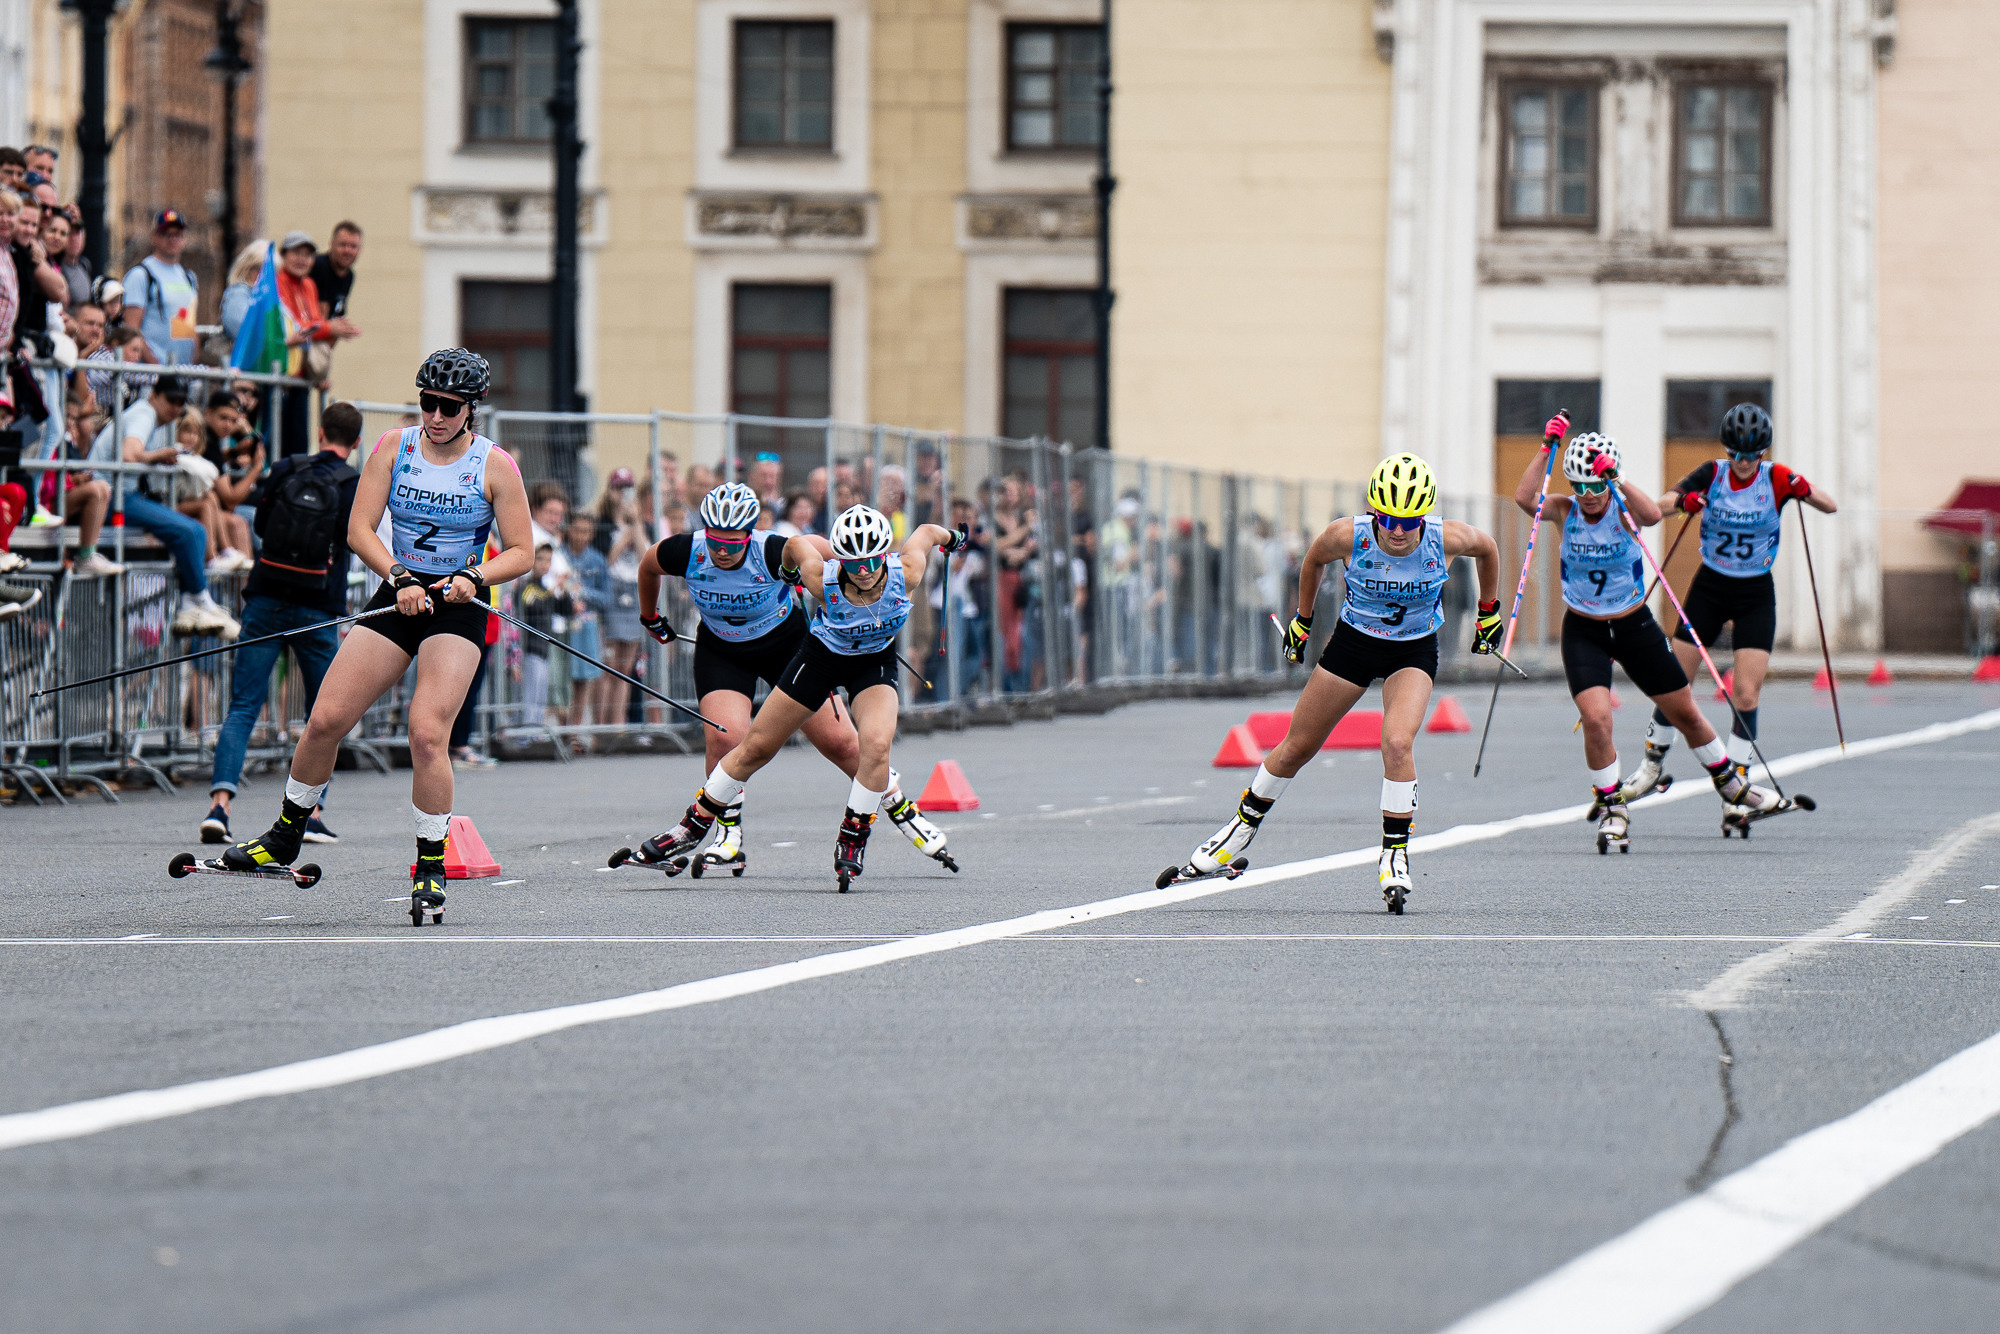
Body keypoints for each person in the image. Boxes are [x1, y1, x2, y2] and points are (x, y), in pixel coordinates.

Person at [216, 349, 531, 926]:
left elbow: (522, 552)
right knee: (326, 718)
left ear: (471, 409)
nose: (435, 416)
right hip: (400, 589)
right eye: (427, 403)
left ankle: (431, 866)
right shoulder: (395, 447)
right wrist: (398, 576)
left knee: (427, 732)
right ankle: (288, 832)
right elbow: (360, 529)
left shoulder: (495, 465)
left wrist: (473, 576)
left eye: (449, 407)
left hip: (457, 603)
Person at [1162, 453, 1504, 914]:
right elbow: (1312, 561)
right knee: (1298, 746)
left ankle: (1395, 856)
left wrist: (1490, 613)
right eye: (1388, 519)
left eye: (1409, 521)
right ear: (1373, 512)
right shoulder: (1349, 535)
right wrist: (1302, 622)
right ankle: (1235, 835)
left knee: (1398, 743)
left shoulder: (1448, 539)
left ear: (1424, 516)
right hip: (1354, 644)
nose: (1398, 531)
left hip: (1413, 649)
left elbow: (1489, 550)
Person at [630, 487, 956, 880]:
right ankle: (712, 833)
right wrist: (651, 618)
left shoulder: (906, 572)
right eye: (714, 539)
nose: (863, 571)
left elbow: (927, 533)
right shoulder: (818, 577)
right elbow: (650, 565)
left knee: (854, 744)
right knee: (736, 741)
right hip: (751, 651)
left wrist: (956, 537)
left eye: (871, 560)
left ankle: (896, 814)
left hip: (794, 645)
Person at [1516, 425, 1789, 851]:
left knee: (1686, 713)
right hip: (1584, 629)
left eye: (1595, 484)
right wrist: (1546, 446)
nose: (1587, 493)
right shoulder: (1563, 508)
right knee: (1596, 719)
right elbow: (1524, 498)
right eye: (1579, 484)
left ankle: (1733, 788)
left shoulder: (1622, 508)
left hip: (1633, 626)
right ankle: (1613, 809)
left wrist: (1616, 479)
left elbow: (1652, 515)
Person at [1621, 402, 1841, 808]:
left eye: (1752, 455)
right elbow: (1660, 505)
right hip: (1711, 586)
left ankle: (1737, 787)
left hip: (1755, 591)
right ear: (1726, 451)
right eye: (1736, 454)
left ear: (1764, 453)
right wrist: (1684, 502)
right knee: (1674, 684)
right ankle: (1651, 767)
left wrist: (1802, 489)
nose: (1742, 463)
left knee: (1746, 694)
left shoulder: (1775, 479)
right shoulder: (1713, 474)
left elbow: (1830, 505)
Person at [200, 402, 365, 847]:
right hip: (318, 607)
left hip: (266, 598)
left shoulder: (287, 467)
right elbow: (354, 537)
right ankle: (311, 813)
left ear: (319, 431)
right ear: (356, 442)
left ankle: (220, 806)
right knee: (323, 716)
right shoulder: (352, 483)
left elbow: (263, 522)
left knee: (243, 707)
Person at [87, 376, 230, 629]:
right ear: (153, 396)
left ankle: (193, 601)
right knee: (192, 531)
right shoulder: (145, 415)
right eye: (170, 400)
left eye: (180, 402)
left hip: (123, 496)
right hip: (112, 498)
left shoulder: (157, 419)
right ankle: (198, 599)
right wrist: (159, 456)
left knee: (194, 529)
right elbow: (130, 455)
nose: (175, 407)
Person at [122, 209, 200, 366]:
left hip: (183, 369)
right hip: (153, 371)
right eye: (166, 234)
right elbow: (131, 329)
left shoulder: (189, 277)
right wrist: (154, 364)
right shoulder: (141, 275)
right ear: (154, 237)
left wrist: (193, 358)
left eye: (177, 235)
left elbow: (190, 323)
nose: (172, 240)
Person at [309, 221, 362, 321]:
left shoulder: (349, 275)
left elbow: (337, 314)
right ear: (331, 244)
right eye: (342, 245)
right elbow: (321, 315)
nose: (347, 251)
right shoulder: (318, 266)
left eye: (353, 247)